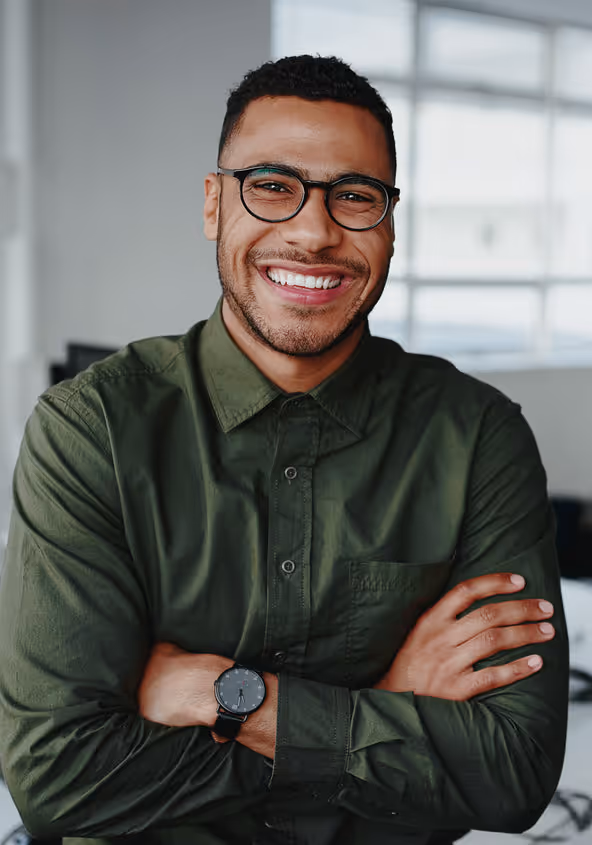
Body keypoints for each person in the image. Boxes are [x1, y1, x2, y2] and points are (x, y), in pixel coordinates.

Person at [0, 55, 568, 845]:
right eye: (272, 184)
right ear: (213, 204)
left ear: (390, 225)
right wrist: (384, 703)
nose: (313, 231)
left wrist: (237, 698)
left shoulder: (478, 437)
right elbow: (58, 779)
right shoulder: (89, 428)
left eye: (355, 196)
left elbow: (513, 773)